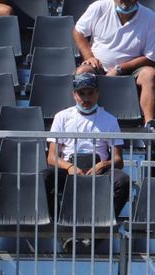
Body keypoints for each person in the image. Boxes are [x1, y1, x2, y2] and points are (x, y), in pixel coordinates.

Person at [73, 0, 155, 128]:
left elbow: (151, 58)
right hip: (99, 68)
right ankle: (81, 122)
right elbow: (78, 31)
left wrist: (119, 69)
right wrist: (89, 56)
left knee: (150, 74)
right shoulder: (99, 8)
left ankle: (150, 126)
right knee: (82, 71)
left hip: (132, 71)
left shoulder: (151, 18)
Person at [45, 72, 130, 223]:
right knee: (45, 177)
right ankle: (60, 225)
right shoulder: (62, 117)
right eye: (81, 93)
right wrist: (70, 167)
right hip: (68, 171)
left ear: (97, 93)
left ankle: (103, 223)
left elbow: (118, 160)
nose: (86, 98)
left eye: (90, 93)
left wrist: (102, 165)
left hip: (99, 171)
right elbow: (52, 157)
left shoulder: (110, 120)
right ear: (74, 95)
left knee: (123, 181)